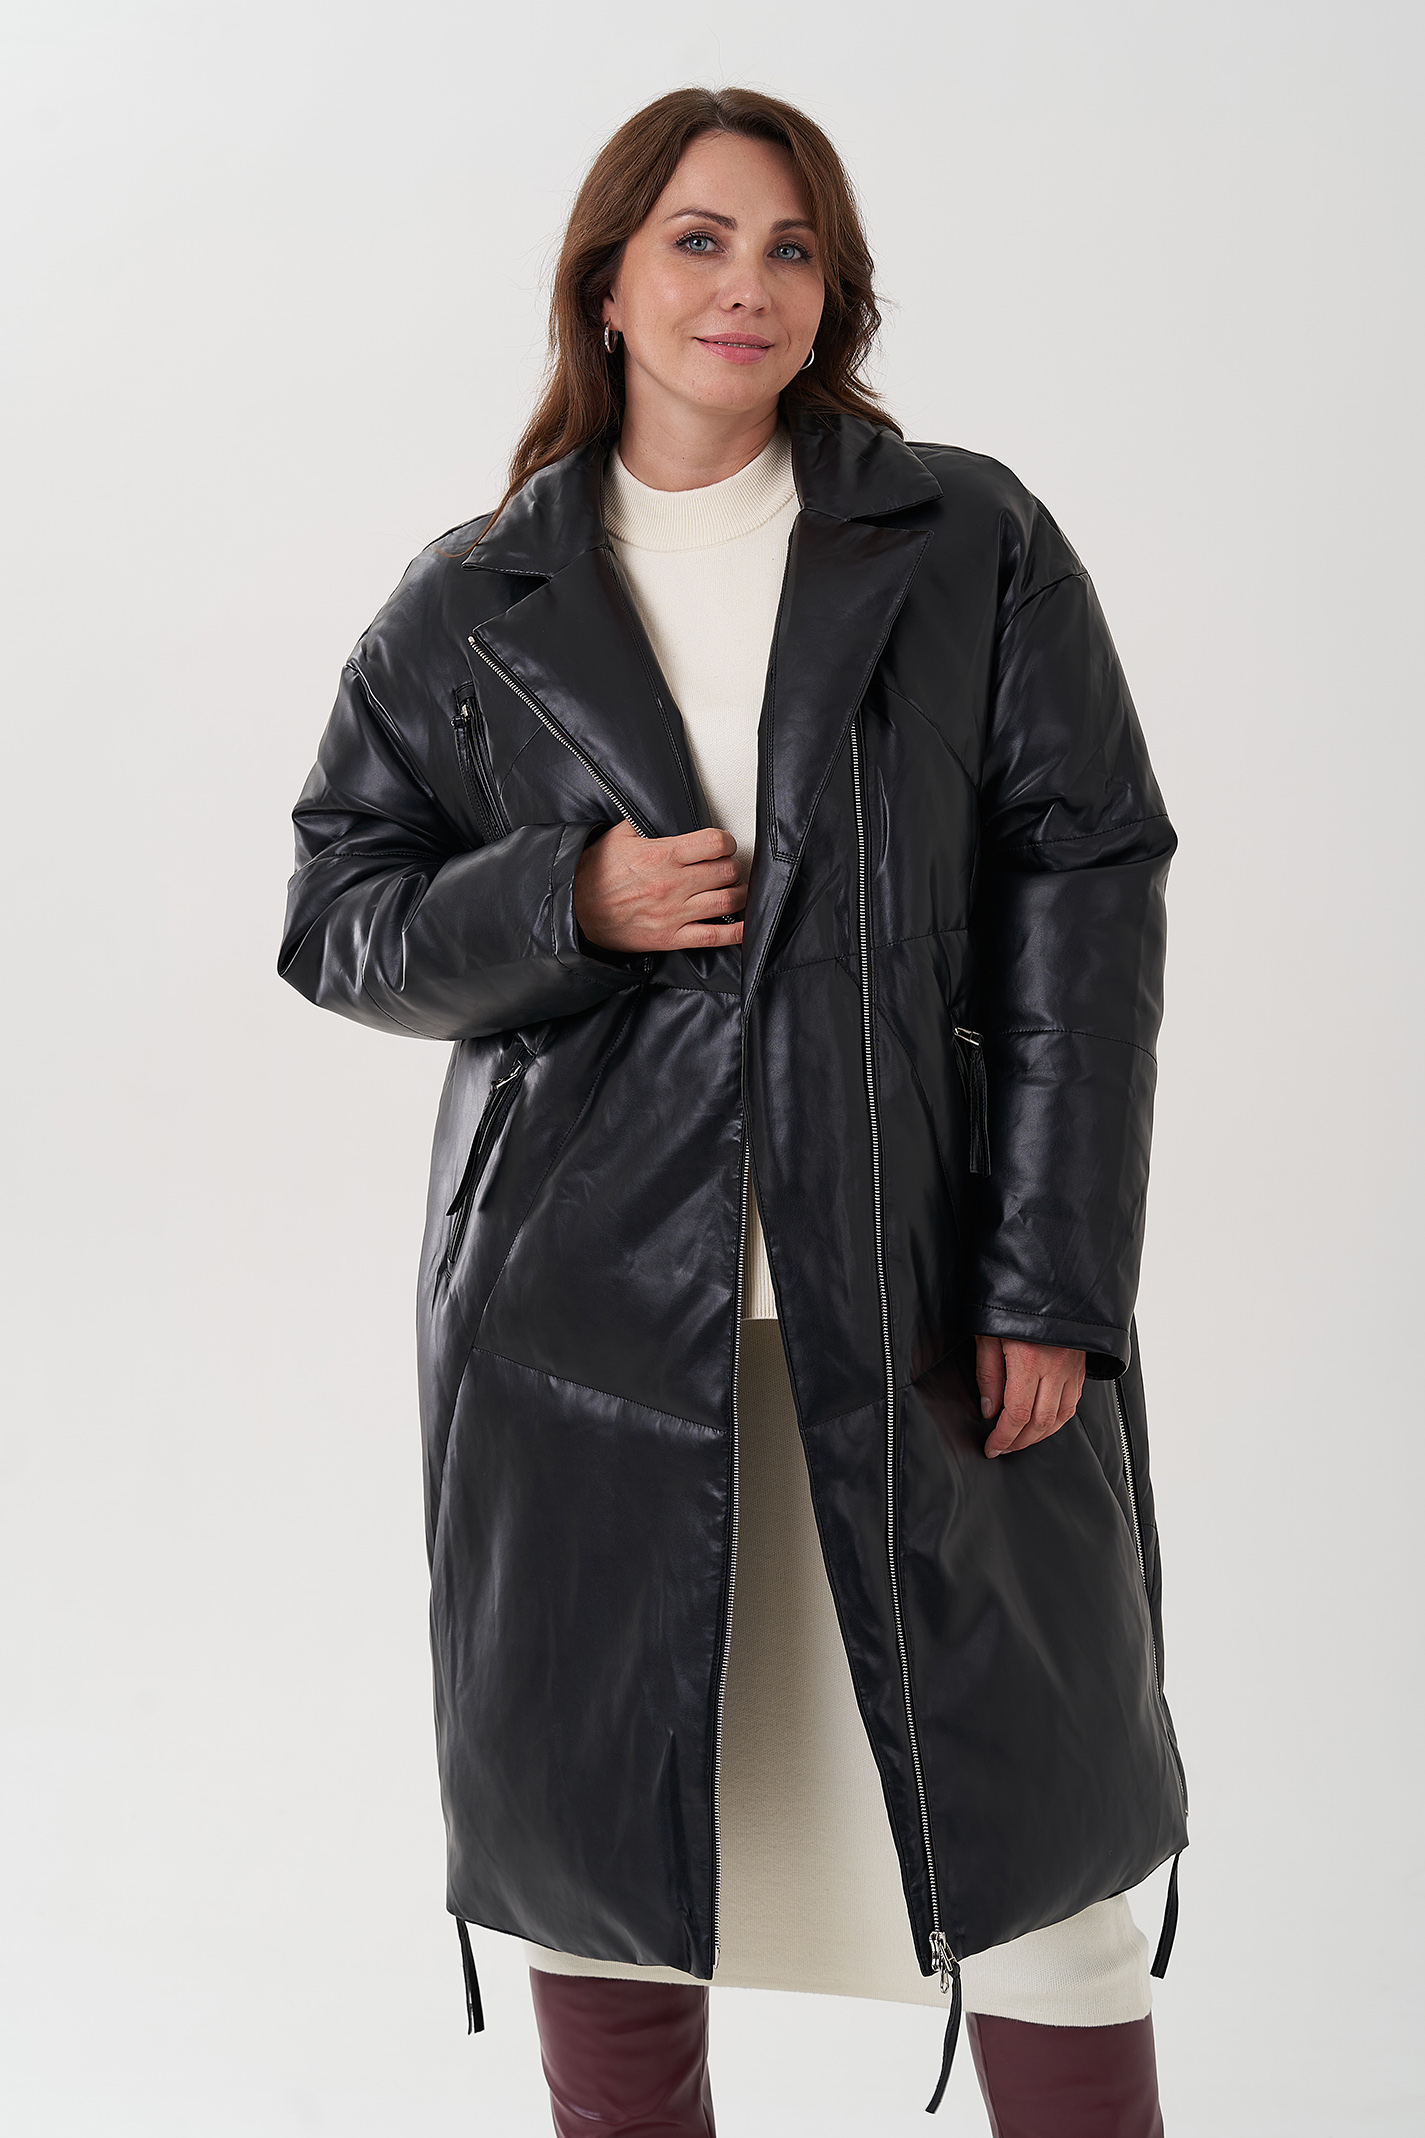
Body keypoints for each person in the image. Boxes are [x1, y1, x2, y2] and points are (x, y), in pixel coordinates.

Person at [279, 84, 1186, 2138]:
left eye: (789, 249)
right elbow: (335, 915)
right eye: (696, 239)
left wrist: (1048, 1276)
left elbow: (1085, 884)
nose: (744, 286)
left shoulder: (961, 540)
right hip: (576, 1331)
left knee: (1037, 1872)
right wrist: (564, 901)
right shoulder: (473, 600)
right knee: (606, 1869)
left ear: (832, 294)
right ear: (604, 284)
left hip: (923, 1294)